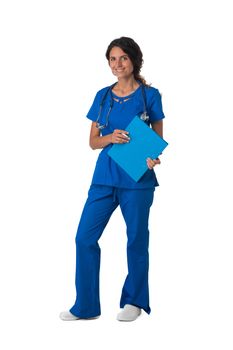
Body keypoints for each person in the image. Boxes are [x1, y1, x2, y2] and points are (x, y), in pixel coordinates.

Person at [60, 36, 165, 322]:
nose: (117, 64)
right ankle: (86, 306)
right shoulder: (103, 96)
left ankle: (134, 301)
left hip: (137, 178)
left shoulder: (149, 96)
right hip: (105, 175)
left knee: (136, 240)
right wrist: (110, 137)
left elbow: (157, 139)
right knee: (84, 238)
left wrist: (153, 157)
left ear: (134, 61)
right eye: (112, 59)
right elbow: (93, 142)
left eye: (123, 58)